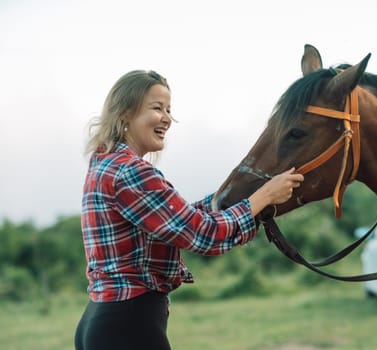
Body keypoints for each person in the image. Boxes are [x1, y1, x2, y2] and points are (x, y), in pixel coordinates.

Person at [74, 70, 304, 350]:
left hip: (102, 320)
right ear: (124, 113)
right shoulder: (132, 172)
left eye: (169, 109)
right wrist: (264, 197)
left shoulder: (106, 164)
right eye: (157, 108)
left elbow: (179, 220)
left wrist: (233, 198)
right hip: (129, 325)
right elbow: (203, 234)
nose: (167, 118)